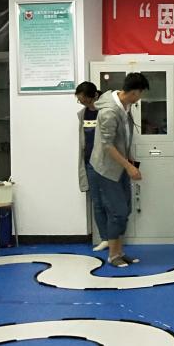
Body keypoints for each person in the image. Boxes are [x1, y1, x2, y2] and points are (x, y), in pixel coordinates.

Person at [89, 72, 149, 268]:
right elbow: (107, 145)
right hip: (107, 168)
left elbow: (124, 138)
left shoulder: (125, 106)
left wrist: (129, 161)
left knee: (125, 209)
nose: (140, 97)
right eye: (140, 93)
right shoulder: (109, 112)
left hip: (120, 165)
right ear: (134, 92)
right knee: (117, 212)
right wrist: (129, 166)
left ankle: (120, 252)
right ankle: (113, 255)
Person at [75, 82, 108, 252]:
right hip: (90, 164)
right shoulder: (83, 114)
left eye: (84, 100)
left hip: (108, 164)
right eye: (80, 101)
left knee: (113, 202)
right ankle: (105, 238)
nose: (83, 104)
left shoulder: (107, 111)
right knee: (97, 203)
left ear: (94, 96)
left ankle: (115, 238)